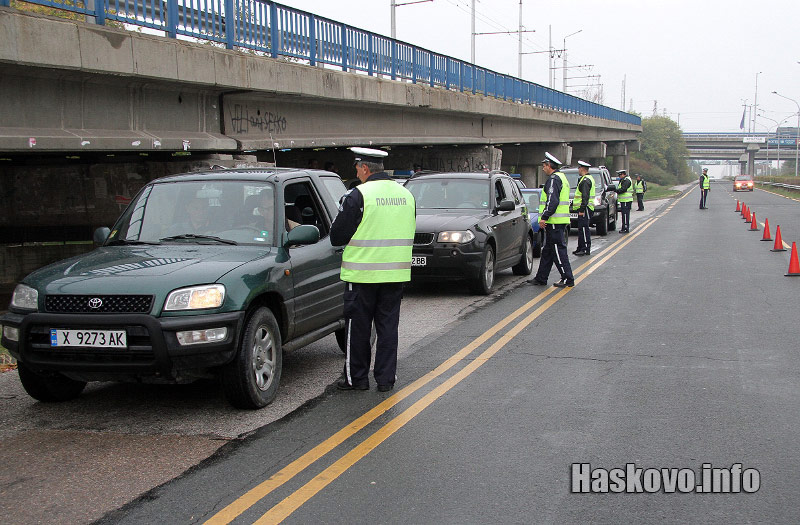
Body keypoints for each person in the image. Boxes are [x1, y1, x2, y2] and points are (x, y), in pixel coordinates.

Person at [330, 147, 416, 392]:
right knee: (388, 329)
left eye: (357, 168)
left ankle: (356, 379)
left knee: (357, 329)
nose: (356, 172)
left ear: (365, 169)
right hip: (395, 274)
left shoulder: (358, 195)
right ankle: (386, 380)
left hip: (362, 275)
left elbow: (337, 236)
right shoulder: (406, 195)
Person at [529, 152, 575, 288]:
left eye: (544, 165)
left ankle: (567, 278)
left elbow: (552, 201)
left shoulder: (554, 179)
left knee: (557, 250)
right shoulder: (562, 177)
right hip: (557, 222)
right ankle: (541, 278)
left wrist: (544, 217)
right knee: (548, 251)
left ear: (549, 165)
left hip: (554, 222)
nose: (543, 168)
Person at [572, 160, 595, 256]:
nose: (578, 169)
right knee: (581, 228)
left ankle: (585, 248)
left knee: (584, 229)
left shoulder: (586, 180)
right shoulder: (585, 179)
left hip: (585, 209)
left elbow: (585, 197)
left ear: (582, 169)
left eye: (579, 168)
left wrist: (581, 209)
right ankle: (580, 247)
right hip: (584, 208)